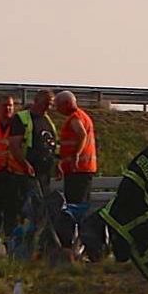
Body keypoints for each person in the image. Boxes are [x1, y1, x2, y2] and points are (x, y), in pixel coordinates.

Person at [0, 93, 34, 256]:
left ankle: (11, 244)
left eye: (10, 106)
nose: (8, 109)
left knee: (12, 211)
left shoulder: (19, 124)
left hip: (13, 174)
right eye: (4, 106)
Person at [53, 91, 101, 261]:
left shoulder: (75, 118)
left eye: (57, 105)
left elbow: (81, 135)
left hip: (78, 171)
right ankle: (84, 247)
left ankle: (77, 247)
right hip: (81, 170)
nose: (56, 109)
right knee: (81, 207)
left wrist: (75, 156)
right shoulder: (82, 116)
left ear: (66, 104)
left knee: (74, 209)